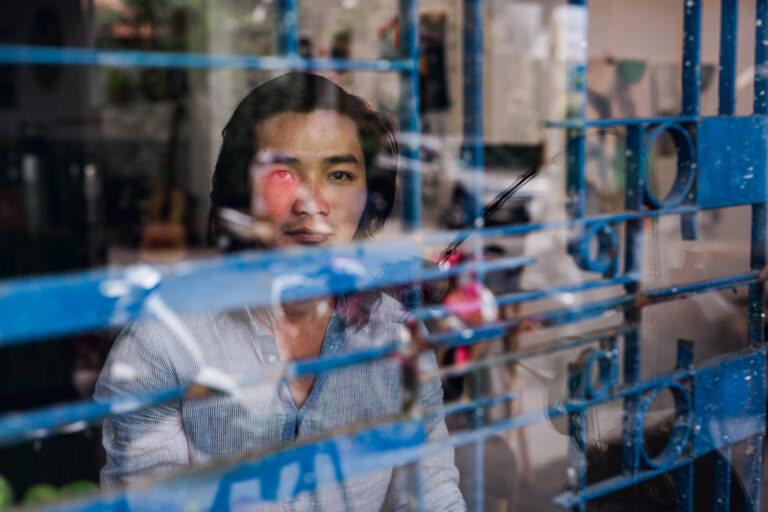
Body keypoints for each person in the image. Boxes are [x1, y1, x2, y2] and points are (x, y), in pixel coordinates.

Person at [95, 72, 465, 511]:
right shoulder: (160, 344)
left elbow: (431, 491)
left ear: (369, 195)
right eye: (283, 172)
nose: (311, 202)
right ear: (239, 193)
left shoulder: (396, 340)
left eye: (340, 174)